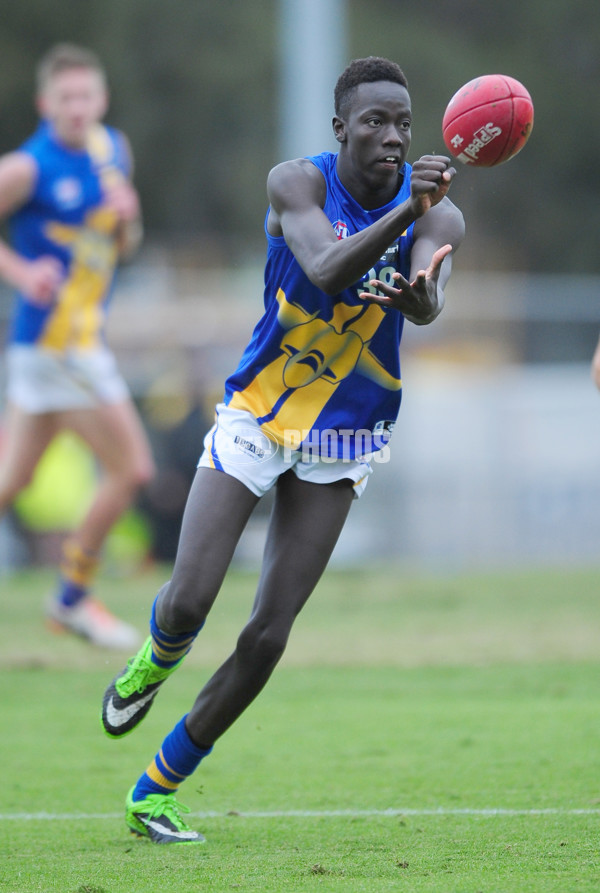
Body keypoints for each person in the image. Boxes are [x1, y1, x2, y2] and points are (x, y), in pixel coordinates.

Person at [101, 56, 465, 843]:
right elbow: (329, 270)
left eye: (404, 122)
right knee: (191, 597)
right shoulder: (296, 182)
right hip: (260, 408)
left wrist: (421, 292)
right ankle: (153, 662)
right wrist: (406, 217)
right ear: (340, 129)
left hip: (347, 428)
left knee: (268, 633)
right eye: (375, 121)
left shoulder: (441, 214)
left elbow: (431, 302)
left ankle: (157, 787)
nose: (393, 136)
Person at [0, 44, 155, 649]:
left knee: (13, 481)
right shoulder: (28, 167)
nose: (76, 107)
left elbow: (127, 246)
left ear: (102, 99)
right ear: (45, 104)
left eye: (85, 96)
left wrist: (129, 218)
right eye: (65, 97)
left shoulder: (112, 151)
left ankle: (70, 599)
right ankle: (70, 597)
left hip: (70, 342)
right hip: (57, 344)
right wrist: (22, 275)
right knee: (134, 468)